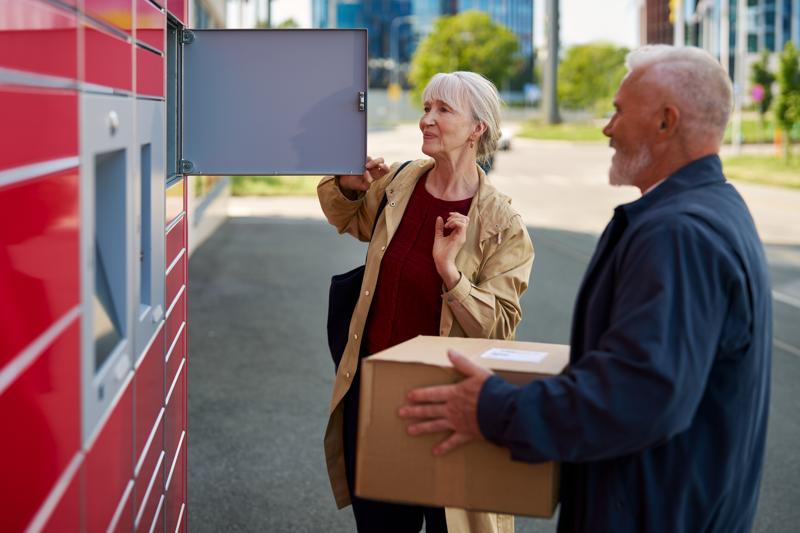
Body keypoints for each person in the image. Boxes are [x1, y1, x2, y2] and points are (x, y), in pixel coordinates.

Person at [399, 45, 773, 533]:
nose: (607, 128)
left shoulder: (678, 234)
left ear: (666, 121)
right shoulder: (712, 207)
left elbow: (638, 396)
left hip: (653, 515)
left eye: (618, 111)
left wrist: (495, 409)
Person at [317, 71, 534, 533]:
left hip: (445, 409)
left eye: (442, 110)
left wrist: (451, 274)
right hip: (373, 396)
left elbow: (498, 329)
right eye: (426, 108)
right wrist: (349, 186)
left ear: (477, 128)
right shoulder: (401, 182)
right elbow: (353, 222)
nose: (425, 120)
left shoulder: (503, 223)